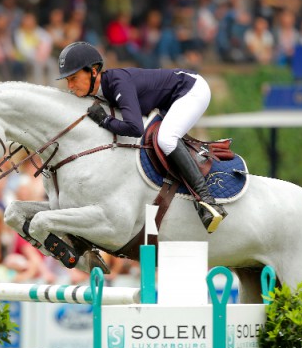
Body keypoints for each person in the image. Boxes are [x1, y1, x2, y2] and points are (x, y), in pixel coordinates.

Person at [56, 41, 226, 233]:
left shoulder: (118, 83)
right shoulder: (102, 91)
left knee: (166, 138)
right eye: (67, 80)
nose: (69, 86)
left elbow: (135, 128)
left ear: (94, 71)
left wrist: (105, 122)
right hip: (171, 98)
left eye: (73, 78)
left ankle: (207, 201)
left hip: (191, 89)